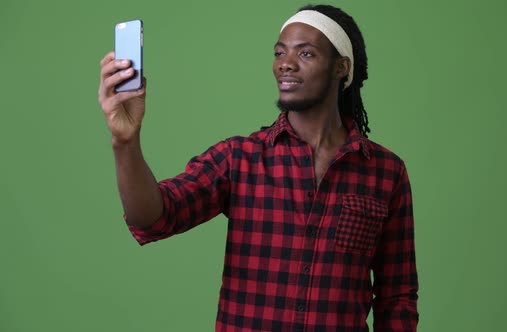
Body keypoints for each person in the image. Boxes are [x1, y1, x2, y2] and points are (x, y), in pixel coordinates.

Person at [98, 4, 418, 331]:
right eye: (280, 53)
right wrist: (125, 142)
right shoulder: (240, 158)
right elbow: (153, 217)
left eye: (306, 54)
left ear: (341, 68)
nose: (286, 65)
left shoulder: (386, 173)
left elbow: (397, 296)